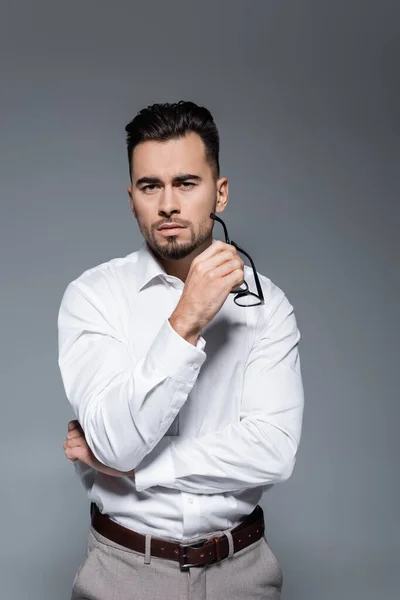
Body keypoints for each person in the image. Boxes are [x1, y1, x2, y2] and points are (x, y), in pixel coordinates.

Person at [58, 101, 305, 600]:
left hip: (243, 572)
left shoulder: (267, 304)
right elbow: (113, 445)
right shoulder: (92, 297)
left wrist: (138, 470)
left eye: (186, 183)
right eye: (151, 186)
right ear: (132, 199)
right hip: (122, 573)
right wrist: (186, 319)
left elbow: (274, 452)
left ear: (221, 192)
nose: (168, 204)